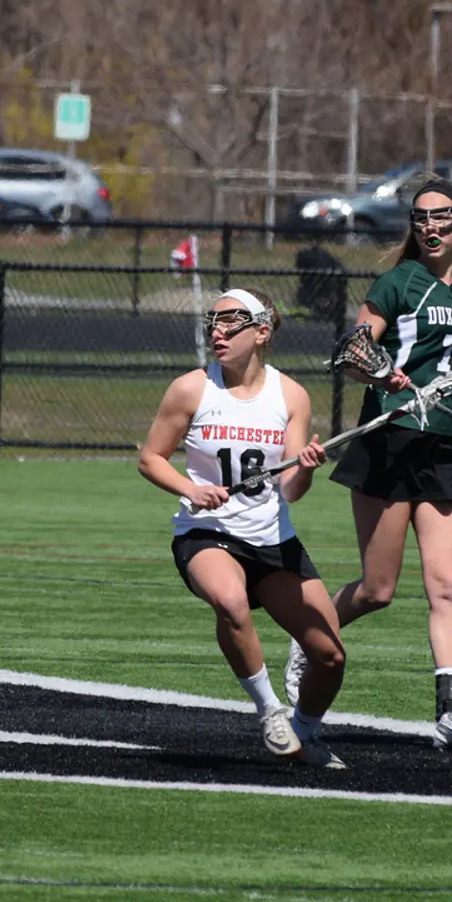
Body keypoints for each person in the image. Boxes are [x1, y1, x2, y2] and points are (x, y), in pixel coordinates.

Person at [285, 180, 452, 750]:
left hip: (442, 448)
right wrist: (381, 370)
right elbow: (352, 351)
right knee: (377, 590)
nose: (431, 227)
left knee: (446, 586)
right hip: (389, 442)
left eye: (442, 218)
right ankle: (310, 634)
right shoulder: (395, 285)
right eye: (421, 218)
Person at [138, 288, 347, 768]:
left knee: (330, 656)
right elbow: (150, 458)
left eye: (231, 322)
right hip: (206, 532)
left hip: (273, 540)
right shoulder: (192, 388)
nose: (218, 331)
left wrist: (308, 467)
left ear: (261, 331)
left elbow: (291, 489)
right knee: (230, 601)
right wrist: (188, 490)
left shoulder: (290, 394)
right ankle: (269, 709)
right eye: (213, 321)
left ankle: (304, 730)